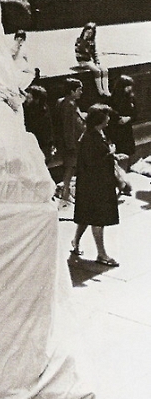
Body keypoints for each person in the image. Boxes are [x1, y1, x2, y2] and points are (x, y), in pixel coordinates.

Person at [71, 104, 119, 267]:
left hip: (94, 183)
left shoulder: (96, 133)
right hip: (95, 184)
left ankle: (75, 242)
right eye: (106, 116)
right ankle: (101, 254)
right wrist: (110, 153)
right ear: (100, 119)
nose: (109, 119)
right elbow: (92, 162)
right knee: (98, 219)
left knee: (86, 216)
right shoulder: (91, 138)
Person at [55, 78, 85, 207]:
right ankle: (65, 194)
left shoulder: (62, 101)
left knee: (71, 167)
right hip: (71, 143)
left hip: (66, 142)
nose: (81, 92)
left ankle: (65, 190)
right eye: (79, 90)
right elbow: (68, 126)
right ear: (72, 91)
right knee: (70, 167)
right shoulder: (69, 105)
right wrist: (71, 145)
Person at [107, 74, 137, 172]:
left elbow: (135, 113)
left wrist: (128, 118)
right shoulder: (112, 99)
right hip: (116, 130)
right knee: (118, 152)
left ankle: (127, 169)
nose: (129, 88)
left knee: (128, 151)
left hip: (126, 129)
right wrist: (118, 118)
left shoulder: (131, 98)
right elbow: (110, 114)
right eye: (127, 86)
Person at [74, 22, 110, 97]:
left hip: (89, 61)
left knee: (105, 70)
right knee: (97, 71)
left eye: (91, 33)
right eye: (87, 32)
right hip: (82, 61)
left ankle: (106, 90)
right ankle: (100, 91)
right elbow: (81, 50)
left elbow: (94, 53)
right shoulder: (79, 40)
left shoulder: (92, 42)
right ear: (84, 31)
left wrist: (97, 62)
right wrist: (84, 39)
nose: (88, 34)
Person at [23, 85, 55, 163]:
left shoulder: (36, 112)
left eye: (30, 97)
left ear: (37, 99)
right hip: (40, 144)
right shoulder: (43, 109)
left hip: (39, 145)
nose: (26, 99)